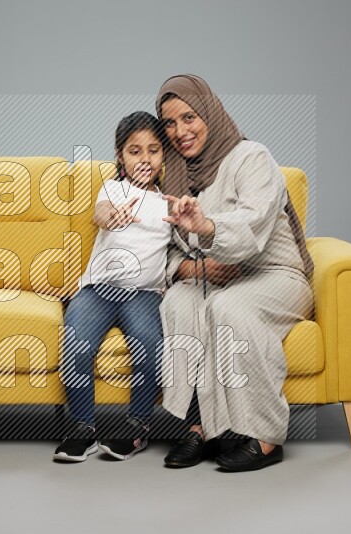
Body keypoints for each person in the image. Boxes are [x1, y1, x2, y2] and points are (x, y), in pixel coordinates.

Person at [156, 75, 315, 471]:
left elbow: (253, 224)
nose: (180, 132)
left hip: (275, 274)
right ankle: (201, 426)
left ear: (209, 112)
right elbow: (167, 248)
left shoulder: (252, 157)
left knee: (230, 308)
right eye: (170, 124)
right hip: (212, 275)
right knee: (178, 301)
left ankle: (265, 437)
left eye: (189, 117)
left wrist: (207, 227)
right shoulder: (174, 173)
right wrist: (192, 266)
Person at [53, 111, 171, 462]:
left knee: (150, 347)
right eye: (135, 151)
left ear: (164, 155)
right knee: (75, 345)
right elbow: (100, 213)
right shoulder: (114, 188)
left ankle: (138, 427)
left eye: (153, 150)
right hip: (98, 290)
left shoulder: (170, 200)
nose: (144, 159)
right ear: (120, 156)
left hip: (146, 294)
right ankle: (82, 428)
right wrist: (112, 216)